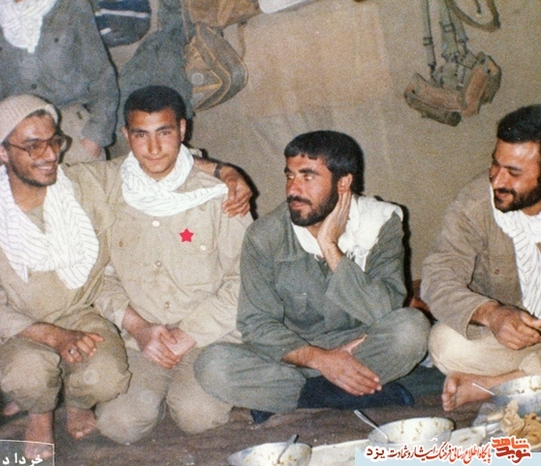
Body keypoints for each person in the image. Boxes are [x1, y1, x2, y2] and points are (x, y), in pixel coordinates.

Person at [195, 131, 430, 420]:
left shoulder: (379, 223)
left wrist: (330, 246)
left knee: (411, 329)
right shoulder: (265, 235)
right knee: (212, 366)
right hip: (295, 358)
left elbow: (384, 310)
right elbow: (256, 324)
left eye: (308, 177)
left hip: (360, 347)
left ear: (343, 183)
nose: (293, 189)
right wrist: (321, 360)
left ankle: (304, 397)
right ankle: (338, 393)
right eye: (290, 176)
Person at [0, 95, 131, 460]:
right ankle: (40, 413)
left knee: (107, 376)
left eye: (54, 141)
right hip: (23, 327)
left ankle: (79, 402)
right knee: (27, 375)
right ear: (1, 152)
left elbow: (148, 166)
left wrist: (222, 173)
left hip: (82, 313)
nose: (50, 154)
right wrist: (52, 335)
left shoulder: (83, 185)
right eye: (33, 145)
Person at [94, 85, 253, 444]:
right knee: (119, 424)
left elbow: (246, 278)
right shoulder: (108, 193)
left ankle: (187, 390)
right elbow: (98, 278)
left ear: (183, 129)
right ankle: (156, 393)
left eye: (164, 132)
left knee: (198, 416)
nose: (153, 148)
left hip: (207, 334)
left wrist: (191, 333)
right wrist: (138, 328)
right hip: (143, 338)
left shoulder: (219, 193)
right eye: (141, 135)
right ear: (126, 135)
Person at [422, 104, 541, 411]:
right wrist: (493, 314)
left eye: (514, 173)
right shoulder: (475, 203)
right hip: (511, 342)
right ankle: (528, 379)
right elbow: (438, 277)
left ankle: (492, 386)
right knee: (445, 344)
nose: (497, 181)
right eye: (495, 164)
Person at [0, 0, 118, 163]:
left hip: (71, 131)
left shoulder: (71, 7)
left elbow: (102, 76)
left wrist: (95, 136)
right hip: (20, 138)